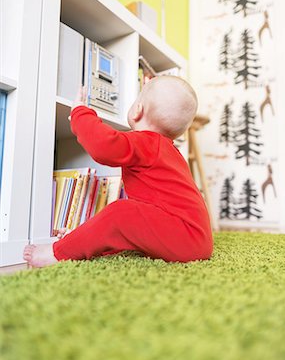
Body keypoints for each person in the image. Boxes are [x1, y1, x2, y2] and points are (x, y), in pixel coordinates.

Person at [23, 76, 213, 268]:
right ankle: (77, 241)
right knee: (127, 221)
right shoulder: (169, 152)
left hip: (185, 237)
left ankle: (57, 253)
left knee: (121, 212)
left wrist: (81, 113)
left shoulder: (147, 142)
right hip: (194, 239)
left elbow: (104, 144)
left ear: (138, 109)